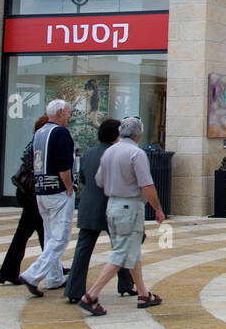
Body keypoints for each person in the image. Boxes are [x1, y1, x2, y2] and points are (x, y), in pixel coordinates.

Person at [78, 116, 166, 316]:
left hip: (112, 205)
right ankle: (91, 296)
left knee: (130, 249)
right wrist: (158, 209)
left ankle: (143, 293)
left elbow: (99, 180)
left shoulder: (109, 152)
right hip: (130, 206)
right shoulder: (136, 153)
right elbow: (147, 185)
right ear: (138, 134)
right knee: (121, 253)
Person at [64, 118, 134, 304]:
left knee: (83, 249)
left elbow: (85, 177)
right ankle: (126, 284)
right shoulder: (116, 153)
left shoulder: (89, 153)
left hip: (89, 205)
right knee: (121, 246)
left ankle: (73, 289)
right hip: (112, 205)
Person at [18, 100, 76, 297]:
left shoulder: (40, 132)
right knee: (60, 237)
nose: (69, 115)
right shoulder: (60, 133)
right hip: (57, 190)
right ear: (60, 112)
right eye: (68, 112)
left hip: (41, 190)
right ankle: (33, 274)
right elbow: (64, 163)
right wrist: (69, 187)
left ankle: (55, 277)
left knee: (51, 234)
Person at [0, 114, 47, 285]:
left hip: (29, 194)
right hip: (32, 195)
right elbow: (37, 170)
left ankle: (53, 266)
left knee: (42, 232)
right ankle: (8, 272)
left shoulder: (34, 143)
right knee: (25, 234)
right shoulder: (38, 146)